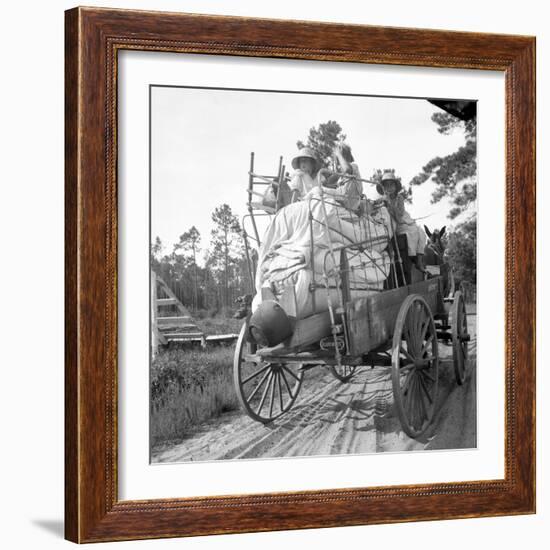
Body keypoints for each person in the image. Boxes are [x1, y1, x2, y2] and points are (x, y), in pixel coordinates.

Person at [377, 171, 426, 273]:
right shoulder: (381, 200)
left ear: (395, 187)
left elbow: (399, 216)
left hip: (402, 221)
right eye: (386, 185)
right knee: (411, 233)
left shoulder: (399, 198)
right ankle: (412, 256)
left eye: (391, 185)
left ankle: (419, 260)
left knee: (421, 232)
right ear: (383, 188)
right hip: (393, 225)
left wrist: (390, 204)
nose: (389, 188)